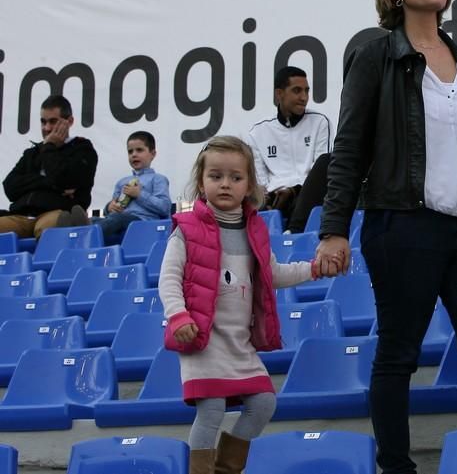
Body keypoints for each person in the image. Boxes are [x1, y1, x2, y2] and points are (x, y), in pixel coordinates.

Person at [315, 0, 457, 474]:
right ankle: (397, 467)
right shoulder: (376, 53)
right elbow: (350, 147)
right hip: (403, 225)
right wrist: (332, 229)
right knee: (398, 355)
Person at [158, 136, 340, 474]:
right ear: (201, 181)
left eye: (235, 177)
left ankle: (226, 468)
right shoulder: (186, 229)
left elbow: (273, 274)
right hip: (203, 340)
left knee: (263, 402)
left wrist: (313, 269)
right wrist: (178, 316)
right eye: (215, 176)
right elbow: (168, 279)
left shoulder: (255, 229)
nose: (225, 183)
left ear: (249, 185)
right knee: (210, 408)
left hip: (239, 343)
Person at [246, 66, 331, 232]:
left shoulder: (320, 122)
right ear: (279, 94)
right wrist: (275, 195)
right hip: (276, 199)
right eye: (297, 91)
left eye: (307, 91)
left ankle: (293, 232)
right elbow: (261, 182)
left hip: (309, 194)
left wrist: (294, 190)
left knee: (327, 162)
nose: (304, 97)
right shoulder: (258, 131)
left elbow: (320, 173)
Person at [0, 95, 97, 237]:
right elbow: (10, 187)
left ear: (69, 121)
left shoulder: (82, 149)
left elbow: (64, 179)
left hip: (55, 212)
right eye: (43, 122)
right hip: (21, 216)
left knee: (50, 228)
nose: (47, 128)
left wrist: (49, 146)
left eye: (53, 122)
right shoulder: (32, 153)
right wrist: (48, 183)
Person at [93, 131, 171, 244]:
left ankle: (88, 238)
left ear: (153, 154)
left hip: (145, 224)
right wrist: (109, 207)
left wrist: (139, 195)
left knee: (118, 219)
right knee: (94, 220)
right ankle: (81, 227)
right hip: (119, 222)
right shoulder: (121, 182)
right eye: (130, 152)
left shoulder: (158, 179)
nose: (134, 154)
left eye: (139, 150)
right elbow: (112, 211)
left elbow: (164, 208)